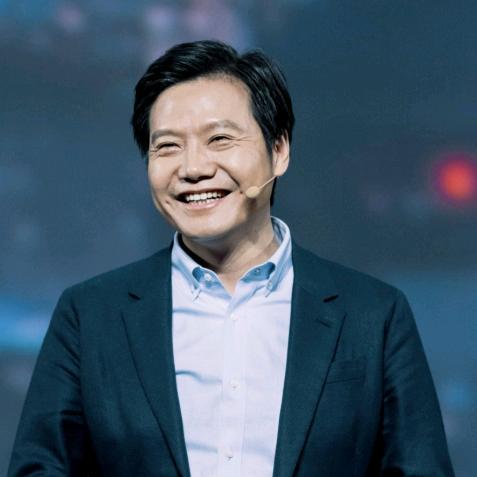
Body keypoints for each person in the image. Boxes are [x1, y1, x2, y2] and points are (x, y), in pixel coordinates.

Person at [8, 40, 454, 477]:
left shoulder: (372, 314)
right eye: (168, 147)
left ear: (279, 150)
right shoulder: (91, 315)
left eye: (219, 139)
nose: (193, 168)